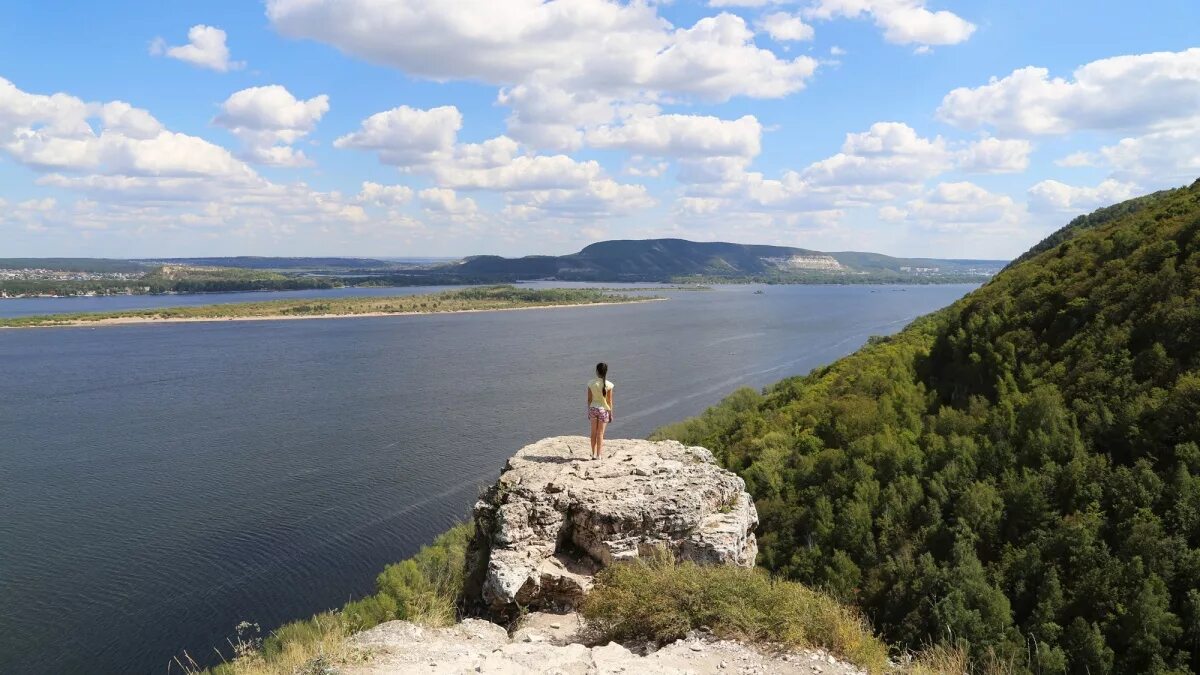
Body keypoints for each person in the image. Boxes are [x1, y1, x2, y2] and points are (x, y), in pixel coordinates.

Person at [586, 362, 614, 460]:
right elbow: (609, 401)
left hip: (593, 408)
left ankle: (593, 454)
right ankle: (599, 455)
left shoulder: (591, 383)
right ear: (606, 372)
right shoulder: (609, 385)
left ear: (597, 371)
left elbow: (589, 399)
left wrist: (589, 410)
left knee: (593, 432)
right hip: (603, 410)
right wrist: (610, 414)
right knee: (600, 433)